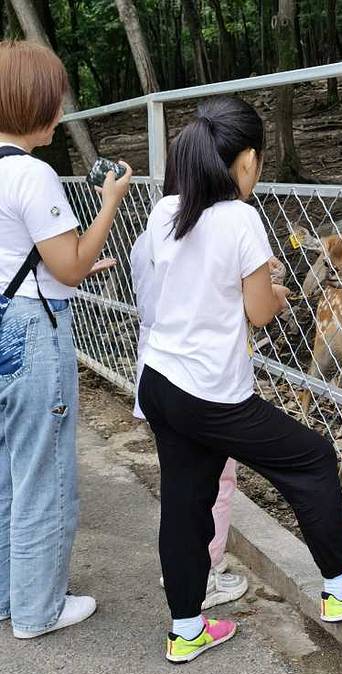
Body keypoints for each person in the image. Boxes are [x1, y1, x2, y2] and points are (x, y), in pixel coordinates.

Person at [137, 95, 342, 665]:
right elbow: (259, 312)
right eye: (259, 158)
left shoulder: (166, 210)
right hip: (212, 392)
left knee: (185, 500)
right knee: (312, 459)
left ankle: (186, 629)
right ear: (246, 158)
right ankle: (340, 591)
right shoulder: (240, 217)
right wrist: (274, 289)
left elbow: (185, 286)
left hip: (161, 379)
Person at [0, 40, 132, 639]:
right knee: (43, 470)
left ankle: (8, 596)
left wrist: (64, 266)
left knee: (6, 469)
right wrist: (110, 204)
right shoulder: (33, 173)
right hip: (33, 330)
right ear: (36, 106)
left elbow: (24, 256)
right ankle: (39, 611)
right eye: (55, 100)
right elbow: (73, 264)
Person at [131, 147, 248, 608]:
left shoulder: (150, 235)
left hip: (157, 374)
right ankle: (208, 572)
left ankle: (180, 576)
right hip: (202, 379)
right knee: (216, 479)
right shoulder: (207, 231)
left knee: (179, 482)